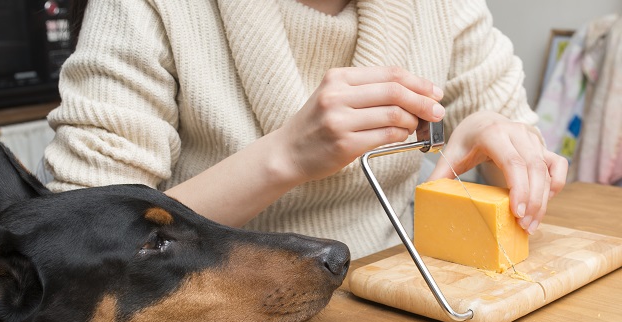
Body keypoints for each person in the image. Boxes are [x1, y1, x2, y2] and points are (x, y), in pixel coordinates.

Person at [42, 0, 568, 259]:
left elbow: (524, 177)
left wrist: (497, 140)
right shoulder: (147, 8)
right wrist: (285, 158)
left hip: (387, 305)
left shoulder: (445, 7)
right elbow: (76, 241)